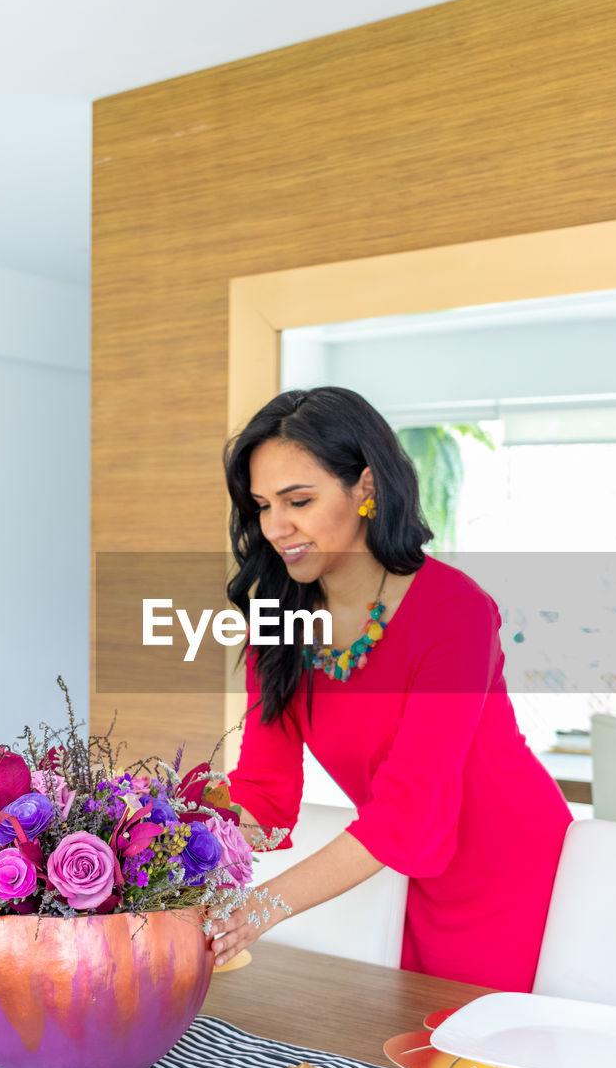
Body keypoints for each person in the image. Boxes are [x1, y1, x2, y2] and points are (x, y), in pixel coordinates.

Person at [214, 386, 571, 992]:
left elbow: (409, 808)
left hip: (511, 872)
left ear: (366, 488)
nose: (276, 527)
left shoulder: (454, 612)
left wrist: (255, 911)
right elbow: (267, 799)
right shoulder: (278, 620)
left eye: (298, 500)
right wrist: (157, 847)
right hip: (407, 869)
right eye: (262, 505)